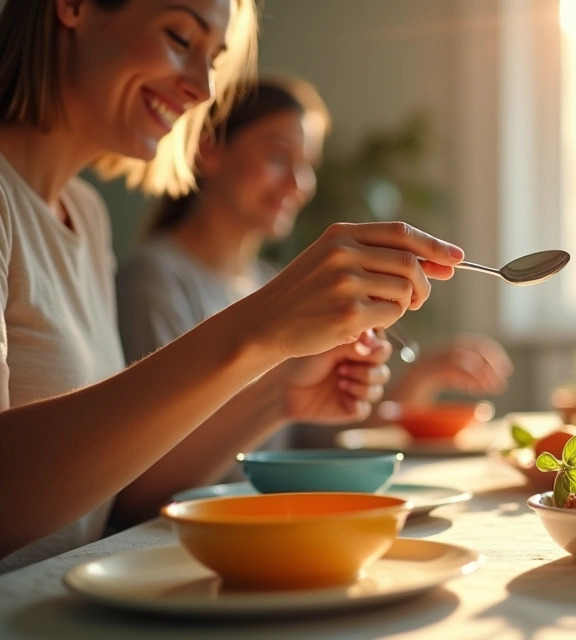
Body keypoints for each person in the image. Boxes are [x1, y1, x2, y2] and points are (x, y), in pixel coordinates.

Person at [0, 0, 464, 571]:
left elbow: (118, 497)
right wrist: (264, 328)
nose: (201, 90)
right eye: (177, 36)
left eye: (213, 59)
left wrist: (279, 394)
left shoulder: (86, 215)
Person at [116, 77, 513, 463]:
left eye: (307, 165)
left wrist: (421, 376)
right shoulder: (153, 281)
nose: (298, 183)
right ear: (210, 151)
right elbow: (146, 471)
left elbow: (322, 437)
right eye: (276, 157)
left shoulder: (270, 283)